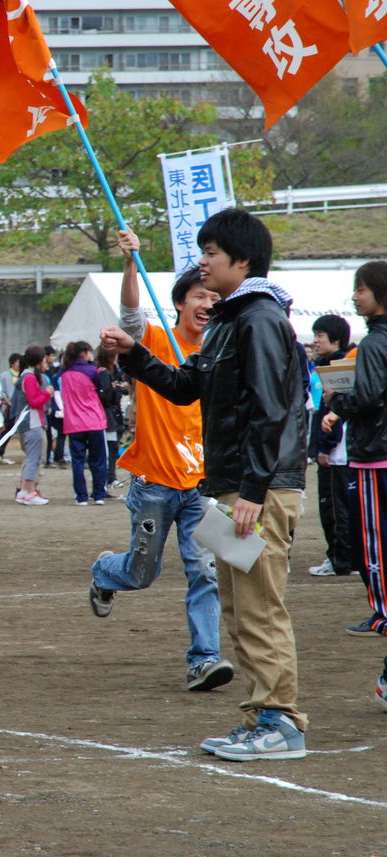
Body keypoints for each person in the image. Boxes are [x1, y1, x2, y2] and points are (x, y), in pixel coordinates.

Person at [101, 207, 308, 761]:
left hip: (255, 490)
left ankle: (281, 722)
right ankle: (260, 716)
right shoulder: (229, 321)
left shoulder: (259, 318)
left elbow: (270, 411)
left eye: (211, 253)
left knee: (261, 608)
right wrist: (136, 355)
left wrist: (252, 491)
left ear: (242, 260)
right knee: (240, 610)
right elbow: (186, 385)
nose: (202, 263)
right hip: (233, 489)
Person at [89, 231, 233, 693]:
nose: (207, 302)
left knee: (204, 570)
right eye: (198, 295)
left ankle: (204, 659)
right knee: (141, 572)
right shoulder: (153, 338)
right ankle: (104, 571)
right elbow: (130, 314)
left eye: (213, 295)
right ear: (179, 303)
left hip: (201, 486)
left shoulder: (222, 350)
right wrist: (132, 261)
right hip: (153, 482)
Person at [324, 262, 387, 637]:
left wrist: (336, 401)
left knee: (375, 539)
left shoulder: (374, 343)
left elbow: (366, 397)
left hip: (374, 453)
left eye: (360, 289)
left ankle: (382, 613)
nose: (355, 296)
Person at [307, 314, 354, 578]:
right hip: (338, 450)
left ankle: (339, 559)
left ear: (335, 340)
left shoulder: (336, 367)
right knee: (339, 507)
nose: (315, 341)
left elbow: (334, 408)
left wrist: (325, 447)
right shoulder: (332, 363)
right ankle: (346, 558)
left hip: (336, 453)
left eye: (320, 336)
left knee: (334, 509)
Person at [59, 340, 110, 506]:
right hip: (93, 421)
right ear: (83, 353)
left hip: (74, 423)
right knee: (98, 460)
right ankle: (99, 494)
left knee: (78, 461)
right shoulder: (92, 370)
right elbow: (100, 387)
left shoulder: (64, 372)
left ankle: (81, 496)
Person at [11, 346, 52, 504]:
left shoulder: (27, 376)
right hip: (32, 423)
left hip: (31, 423)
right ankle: (28, 492)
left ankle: (24, 491)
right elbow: (34, 402)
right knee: (33, 459)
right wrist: (47, 393)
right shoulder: (29, 377)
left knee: (32, 458)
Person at [94, 350, 127, 488]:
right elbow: (107, 397)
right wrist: (115, 389)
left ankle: (110, 477)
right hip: (108, 416)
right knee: (110, 448)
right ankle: (108, 478)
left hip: (112, 414)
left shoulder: (111, 372)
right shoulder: (104, 373)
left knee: (112, 448)